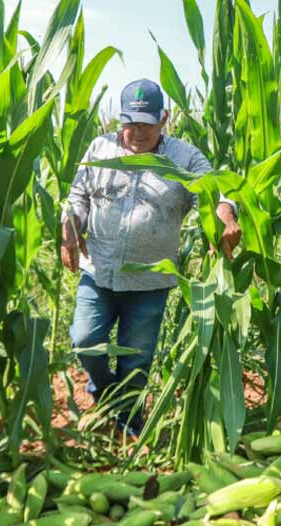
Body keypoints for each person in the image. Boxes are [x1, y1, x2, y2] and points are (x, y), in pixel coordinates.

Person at [61, 79, 241, 436]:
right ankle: (105, 395)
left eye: (146, 123)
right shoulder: (99, 149)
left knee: (137, 357)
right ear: (119, 119)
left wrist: (226, 216)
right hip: (99, 271)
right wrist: (70, 223)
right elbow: (78, 196)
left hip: (150, 281)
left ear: (165, 119)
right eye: (130, 122)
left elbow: (217, 190)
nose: (137, 131)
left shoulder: (184, 157)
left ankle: (128, 422)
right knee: (85, 340)